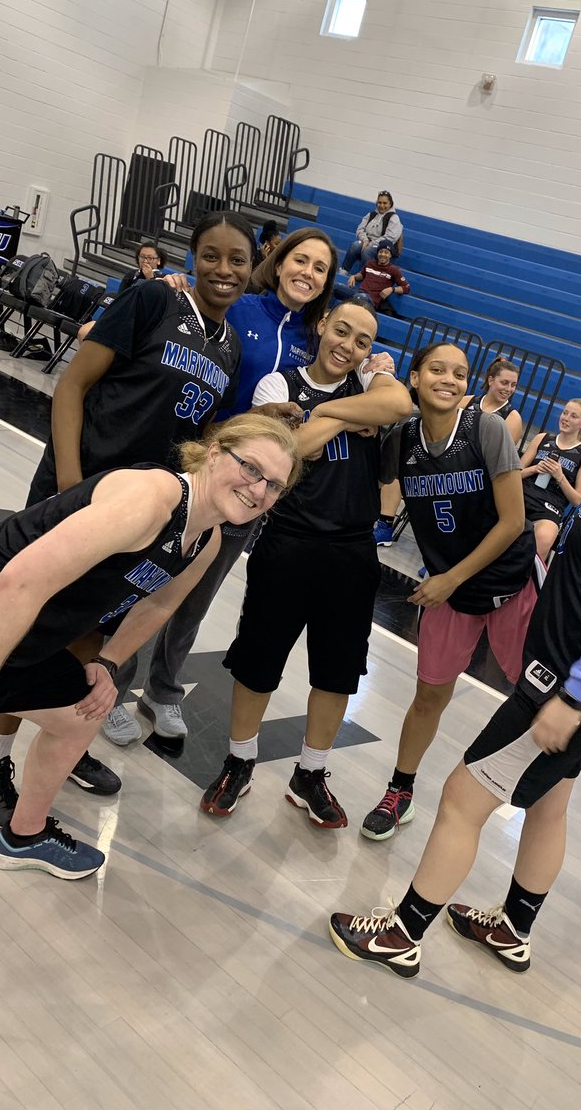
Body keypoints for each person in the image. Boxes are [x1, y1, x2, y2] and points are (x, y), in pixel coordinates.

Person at [0, 416, 300, 1075]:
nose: (259, 489)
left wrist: (106, 663)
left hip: (4, 651)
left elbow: (156, 605)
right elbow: (17, 585)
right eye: (251, 468)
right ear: (215, 452)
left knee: (79, 714)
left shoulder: (206, 539)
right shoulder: (149, 499)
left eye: (274, 485)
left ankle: (23, 835)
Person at [329, 355, 581, 980]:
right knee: (547, 804)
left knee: (462, 799)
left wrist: (574, 698)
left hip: (569, 689)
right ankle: (513, 929)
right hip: (565, 680)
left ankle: (403, 934)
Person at [0, 212, 254, 824]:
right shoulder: (152, 300)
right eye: (211, 255)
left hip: (145, 512)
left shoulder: (230, 346)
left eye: (238, 259)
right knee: (37, 625)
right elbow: (73, 386)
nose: (223, 269)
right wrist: (72, 490)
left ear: (252, 268)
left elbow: (199, 435)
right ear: (193, 256)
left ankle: (63, 739)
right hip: (83, 491)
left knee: (90, 630)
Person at [102, 228, 356, 747]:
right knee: (148, 582)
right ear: (277, 262)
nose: (308, 273)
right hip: (198, 468)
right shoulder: (238, 308)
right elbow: (187, 313)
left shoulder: (316, 337)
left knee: (197, 598)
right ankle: (114, 687)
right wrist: (174, 285)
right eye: (300, 261)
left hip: (252, 492)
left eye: (320, 268)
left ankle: (163, 690)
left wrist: (379, 366)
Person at [200, 300, 413, 824]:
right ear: (321, 326)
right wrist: (346, 416)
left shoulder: (372, 385)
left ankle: (310, 775)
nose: (348, 345)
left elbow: (399, 403)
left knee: (337, 672)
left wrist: (326, 415)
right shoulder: (279, 385)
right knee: (258, 661)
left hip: (353, 550)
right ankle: (239, 763)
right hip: (287, 542)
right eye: (341, 330)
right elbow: (291, 450)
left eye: (362, 341)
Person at [359, 342, 539, 841]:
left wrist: (451, 578)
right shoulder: (402, 438)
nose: (450, 379)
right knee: (428, 696)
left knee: (543, 695)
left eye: (460, 373)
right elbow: (369, 467)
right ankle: (400, 791)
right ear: (414, 378)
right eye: (437, 369)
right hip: (449, 588)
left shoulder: (486, 429)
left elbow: (513, 522)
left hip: (509, 581)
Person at [373, 356, 522, 548]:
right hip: (441, 460)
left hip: (474, 478)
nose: (508, 389)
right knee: (402, 466)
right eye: (504, 382)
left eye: (513, 385)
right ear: (491, 380)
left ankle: (445, 546)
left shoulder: (512, 418)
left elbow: (496, 463)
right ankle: (385, 525)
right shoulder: (467, 401)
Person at [520, 399, 581, 561]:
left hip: (549, 508)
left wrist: (560, 476)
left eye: (573, 416)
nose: (566, 418)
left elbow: (577, 500)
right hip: (522, 495)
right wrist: (534, 469)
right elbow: (515, 474)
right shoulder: (542, 438)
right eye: (565, 413)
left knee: (545, 536)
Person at [338, 191, 404, 275]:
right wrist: (365, 240)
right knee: (355, 245)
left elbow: (390, 238)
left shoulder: (394, 218)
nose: (382, 205)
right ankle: (343, 271)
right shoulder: (371, 215)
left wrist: (371, 244)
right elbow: (360, 229)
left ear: (390, 204)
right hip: (368, 243)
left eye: (385, 203)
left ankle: (365, 276)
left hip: (384, 248)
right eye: (379, 202)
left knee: (367, 250)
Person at [344, 242, 411, 312]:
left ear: (390, 255)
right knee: (337, 287)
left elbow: (407, 288)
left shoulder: (394, 270)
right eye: (380, 252)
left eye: (386, 252)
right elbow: (362, 275)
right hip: (358, 293)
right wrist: (353, 276)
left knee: (360, 297)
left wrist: (392, 289)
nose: (383, 254)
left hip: (371, 300)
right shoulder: (370, 263)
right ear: (377, 253)